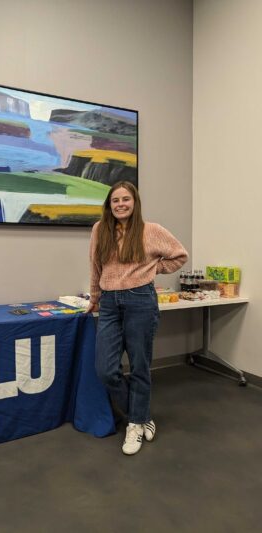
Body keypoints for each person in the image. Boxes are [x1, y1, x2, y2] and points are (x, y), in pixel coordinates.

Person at [86, 181, 188, 455]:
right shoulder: (100, 230)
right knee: (106, 370)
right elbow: (95, 267)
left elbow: (180, 256)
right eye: (115, 200)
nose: (120, 204)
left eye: (125, 199)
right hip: (108, 303)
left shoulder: (150, 230)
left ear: (134, 202)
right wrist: (94, 297)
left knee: (140, 365)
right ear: (109, 205)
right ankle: (140, 415)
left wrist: (154, 268)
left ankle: (134, 425)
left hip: (140, 301)